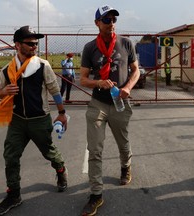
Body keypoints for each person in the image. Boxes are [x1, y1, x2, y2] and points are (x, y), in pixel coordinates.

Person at [0, 26, 68, 216]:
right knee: (10, 155)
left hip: (39, 120)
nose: (34, 46)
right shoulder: (6, 70)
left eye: (36, 43)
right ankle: (14, 194)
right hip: (17, 120)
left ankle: (60, 169)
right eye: (30, 43)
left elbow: (54, 90)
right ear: (17, 45)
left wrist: (62, 113)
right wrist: (4, 92)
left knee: (48, 152)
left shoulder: (43, 65)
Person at [79, 5, 140, 216]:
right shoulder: (89, 48)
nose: (111, 23)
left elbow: (136, 70)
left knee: (123, 142)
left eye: (114, 19)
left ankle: (126, 166)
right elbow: (83, 79)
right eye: (106, 19)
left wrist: (128, 88)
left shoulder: (126, 43)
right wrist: (98, 83)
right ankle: (96, 195)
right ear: (97, 23)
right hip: (98, 104)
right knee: (94, 149)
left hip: (120, 104)